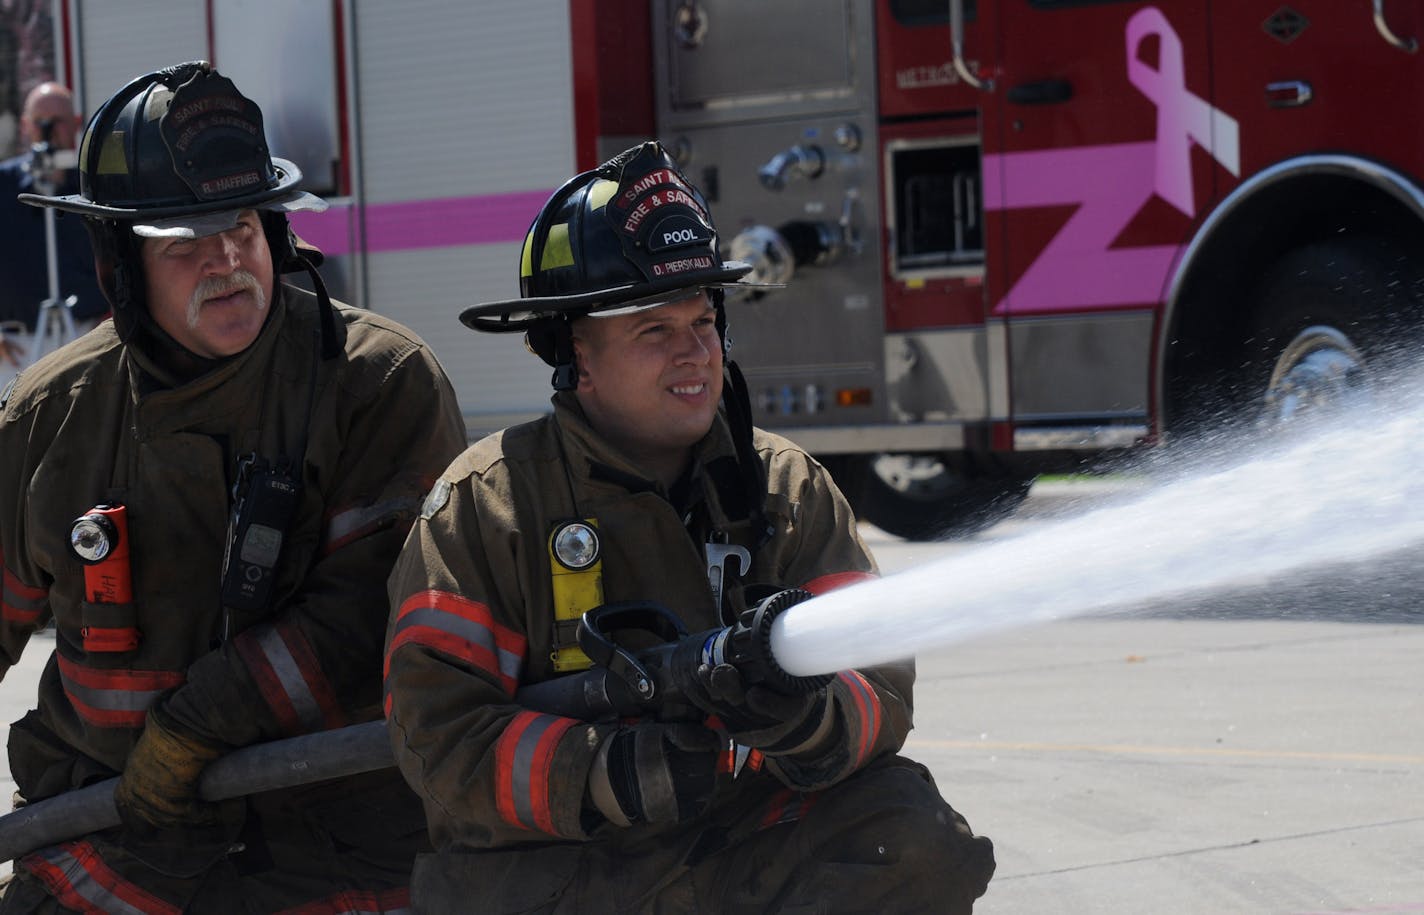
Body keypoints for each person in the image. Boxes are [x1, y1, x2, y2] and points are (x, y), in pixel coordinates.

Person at [383, 141, 996, 913]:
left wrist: (806, 718)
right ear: (577, 351)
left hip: (737, 846)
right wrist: (606, 772)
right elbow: (435, 733)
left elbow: (879, 682)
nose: (694, 352)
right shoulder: (487, 506)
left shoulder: (785, 486)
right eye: (654, 329)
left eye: (703, 320)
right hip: (561, 876)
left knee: (908, 832)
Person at [0, 61, 466, 912]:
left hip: (341, 836)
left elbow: (367, 612)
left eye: (245, 226)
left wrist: (193, 728)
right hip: (114, 832)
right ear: (117, 265)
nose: (227, 260)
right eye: (184, 240)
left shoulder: (376, 380)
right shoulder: (54, 413)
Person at [0, 81, 108, 380]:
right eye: (39, 122)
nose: (47, 130)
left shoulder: (95, 188)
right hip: (16, 346)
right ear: (24, 126)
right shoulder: (3, 186)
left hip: (85, 335)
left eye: (57, 121)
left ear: (75, 124)